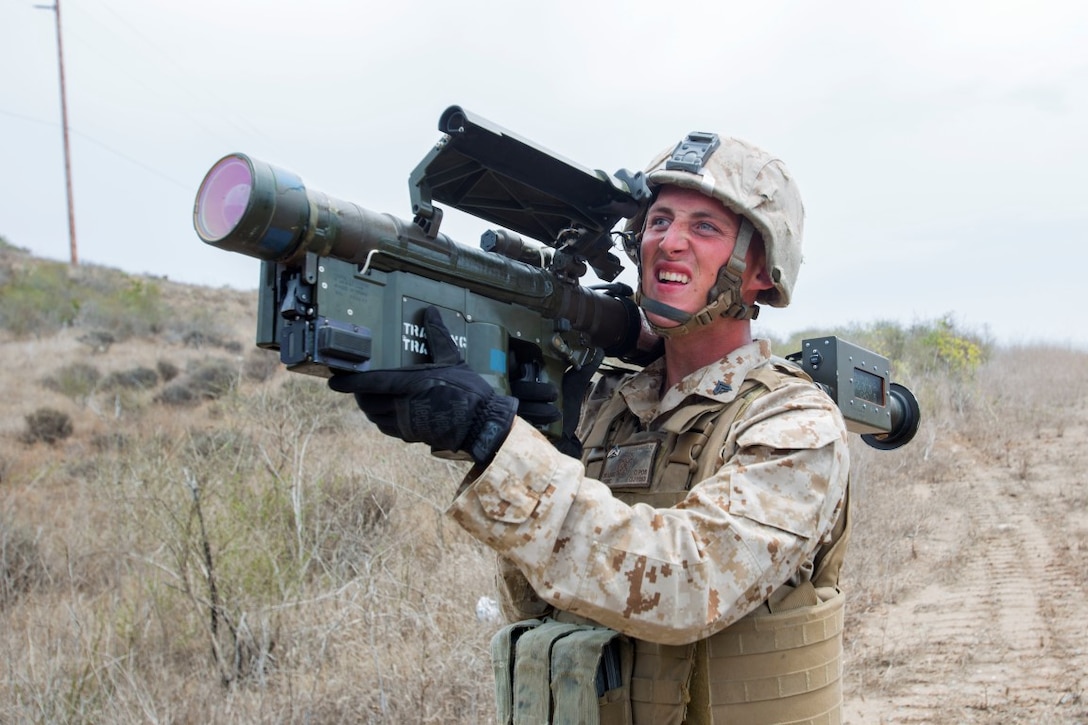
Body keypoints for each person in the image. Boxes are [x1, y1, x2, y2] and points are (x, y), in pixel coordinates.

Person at [330, 131, 851, 724]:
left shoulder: (794, 421)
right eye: (658, 221)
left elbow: (689, 584)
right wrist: (523, 444)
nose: (670, 242)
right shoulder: (606, 405)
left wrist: (498, 443)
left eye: (705, 227)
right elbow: (539, 604)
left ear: (761, 269)